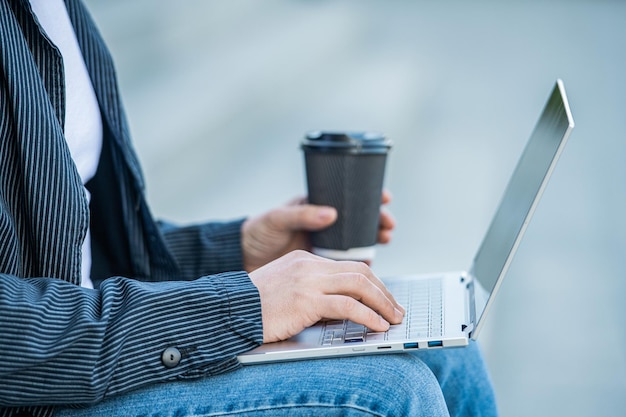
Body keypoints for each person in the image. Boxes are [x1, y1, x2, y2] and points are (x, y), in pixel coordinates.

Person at [0, 0, 498, 416]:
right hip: (41, 389)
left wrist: (238, 249)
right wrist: (240, 306)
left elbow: (72, 249)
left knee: (451, 354)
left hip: (86, 341)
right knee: (391, 394)